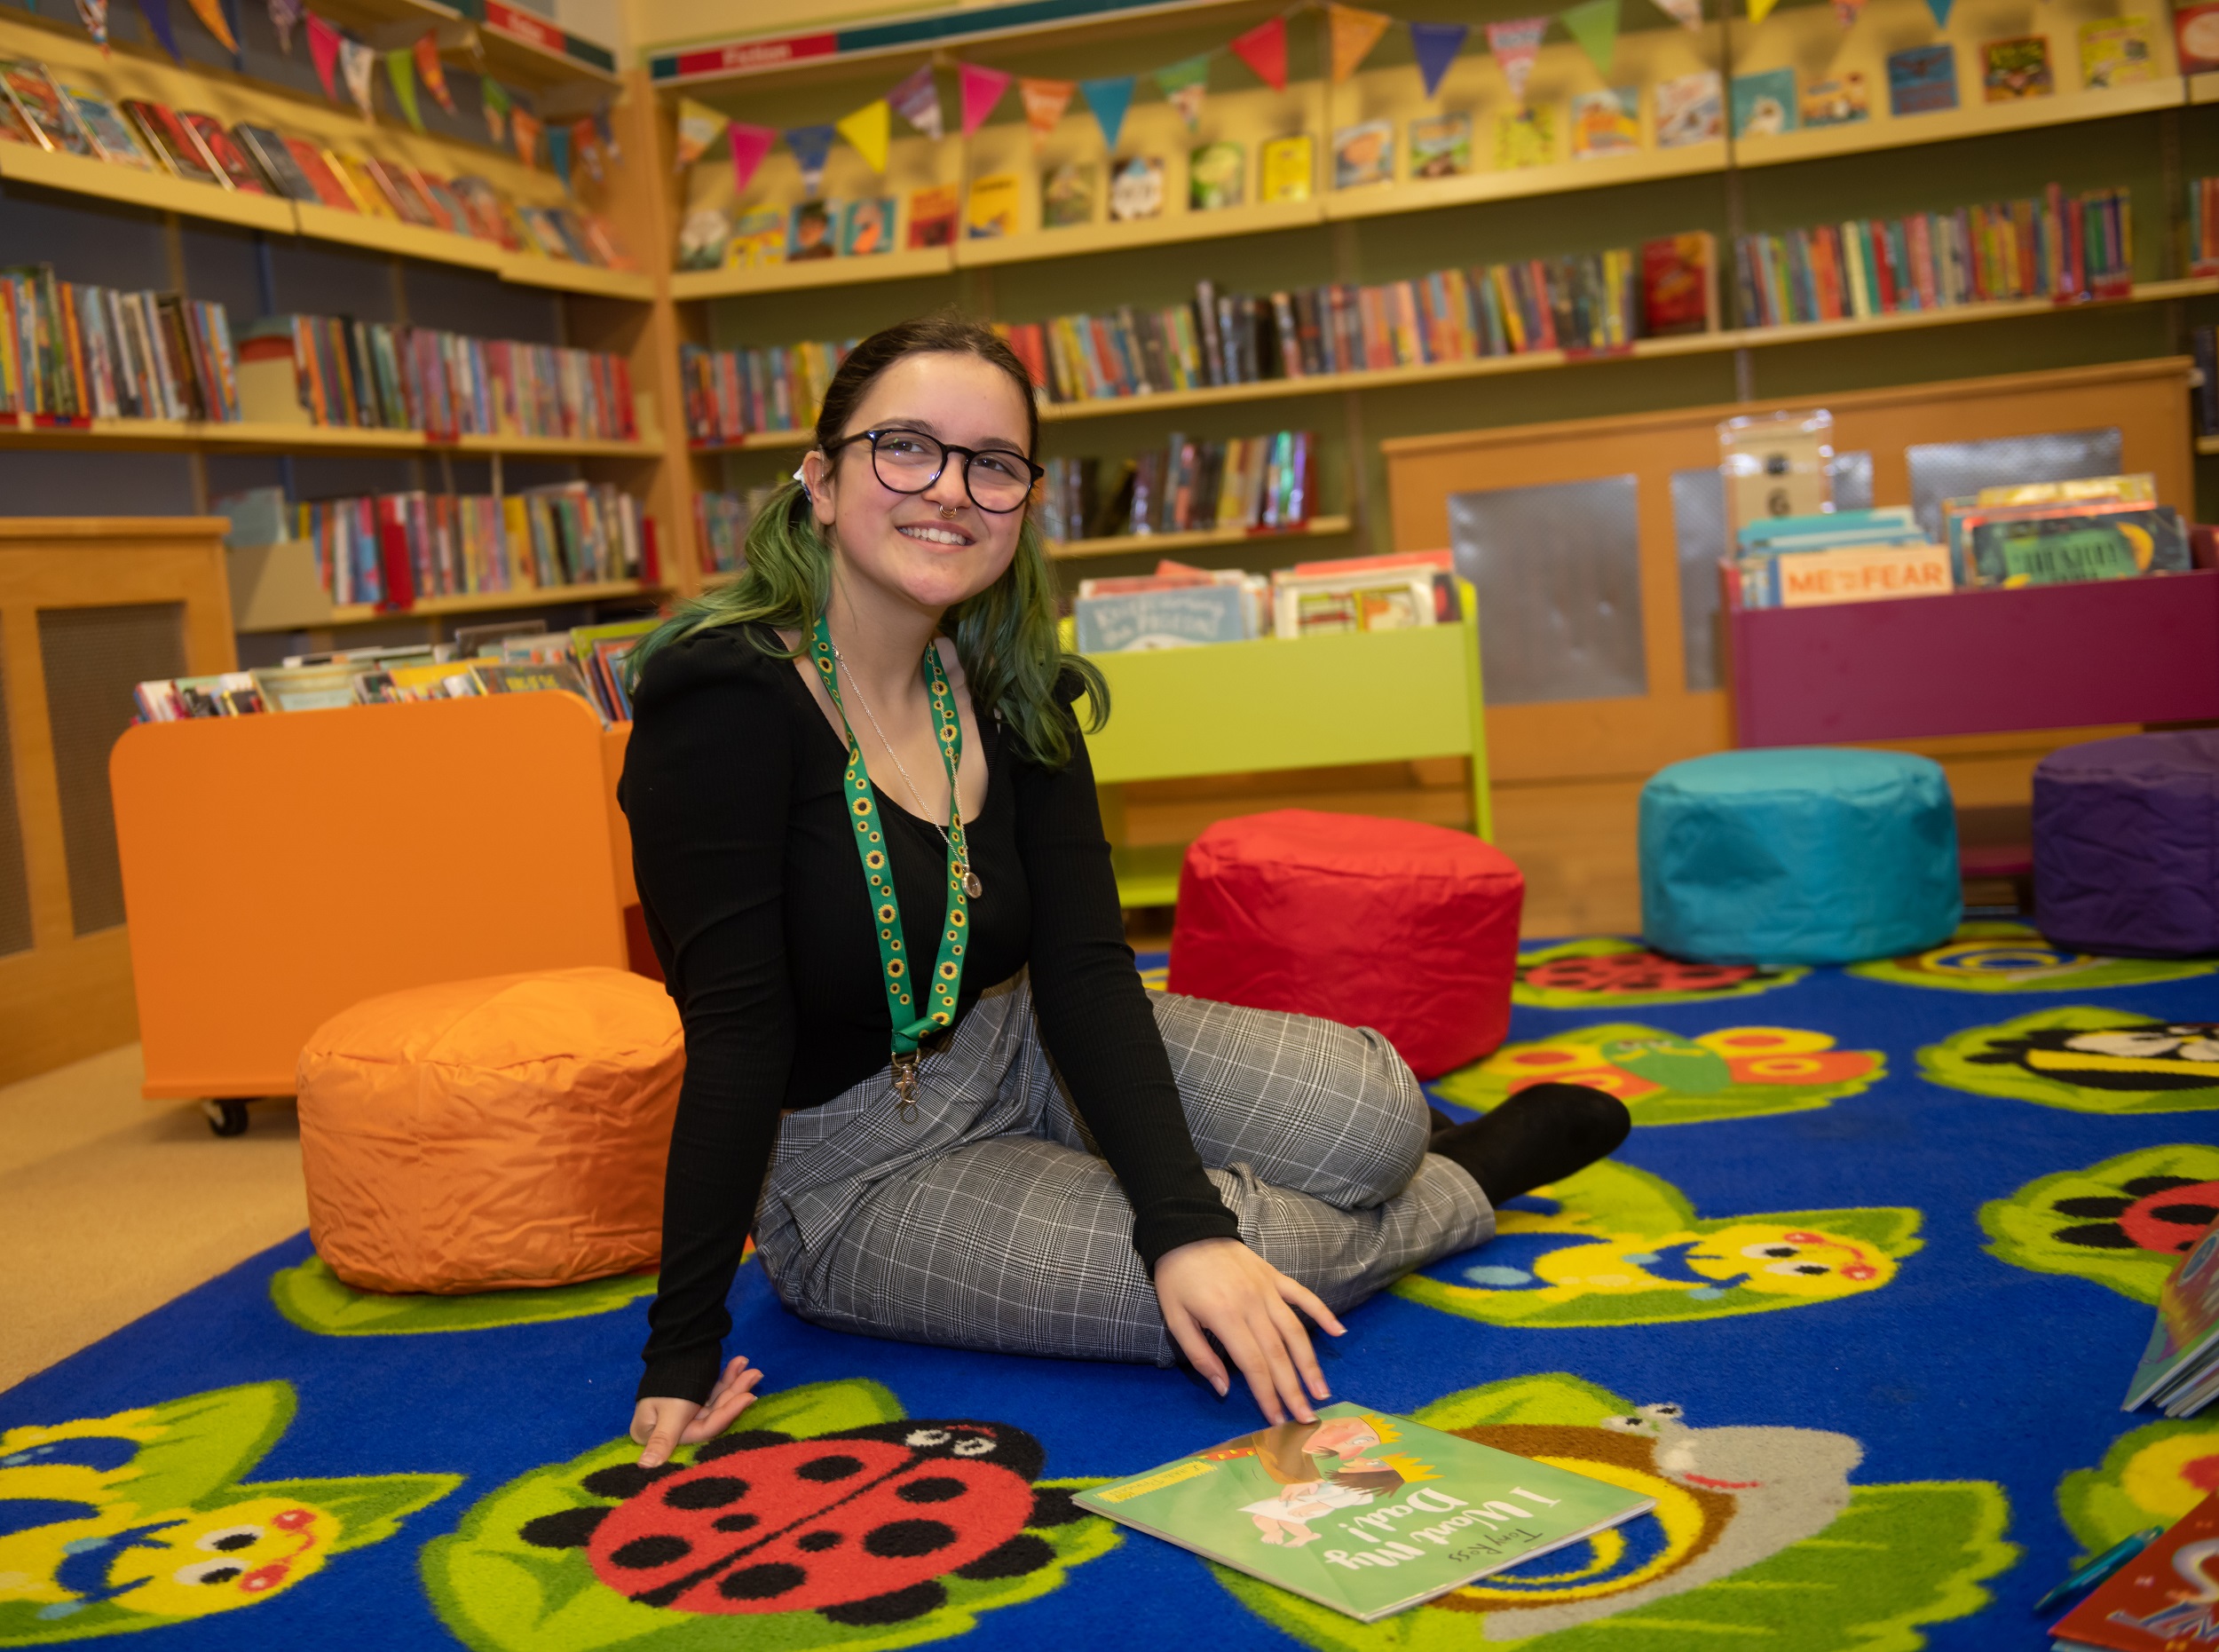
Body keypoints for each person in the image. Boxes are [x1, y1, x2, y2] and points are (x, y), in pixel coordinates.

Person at [618, 312, 1631, 1468]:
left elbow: (1090, 972)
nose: (949, 489)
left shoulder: (1012, 685)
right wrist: (678, 1354)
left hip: (1021, 1042)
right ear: (823, 477)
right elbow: (737, 1033)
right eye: (905, 446)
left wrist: (1174, 1211)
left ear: (1022, 500)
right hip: (859, 1171)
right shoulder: (720, 701)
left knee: (1374, 1109)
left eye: (991, 463)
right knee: (1240, 1273)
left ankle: (1393, 1151)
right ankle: (1466, 1180)